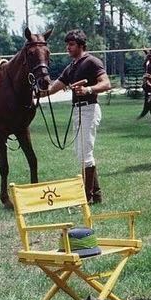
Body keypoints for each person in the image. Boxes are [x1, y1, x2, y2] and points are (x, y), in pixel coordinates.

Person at [44, 29, 111, 203]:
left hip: (89, 108)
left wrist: (88, 89)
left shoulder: (92, 62)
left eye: (71, 44)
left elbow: (106, 83)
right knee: (81, 152)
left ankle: (86, 198)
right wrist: (34, 94)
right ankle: (96, 195)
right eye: (67, 44)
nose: (68, 47)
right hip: (78, 110)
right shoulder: (71, 67)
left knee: (85, 153)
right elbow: (52, 88)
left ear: (81, 45)